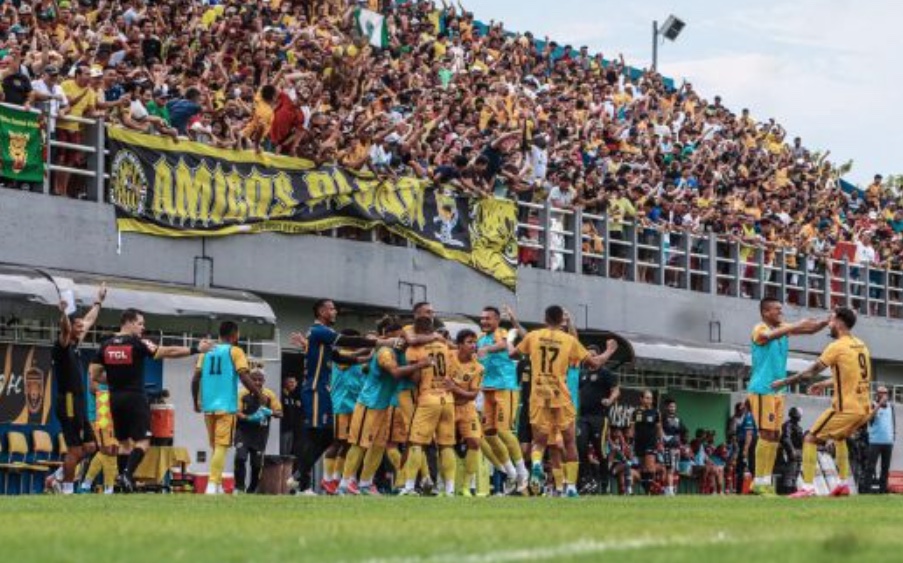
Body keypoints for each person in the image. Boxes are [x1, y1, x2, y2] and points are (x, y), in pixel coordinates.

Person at [90, 309, 214, 492]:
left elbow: (94, 375)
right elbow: (168, 351)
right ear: (129, 323)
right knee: (143, 442)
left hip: (115, 398)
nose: (143, 328)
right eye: (140, 324)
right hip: (135, 398)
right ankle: (127, 475)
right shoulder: (138, 343)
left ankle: (122, 481)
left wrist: (116, 380)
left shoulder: (105, 345)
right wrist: (196, 349)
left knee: (124, 443)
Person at [289, 299, 404, 494]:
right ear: (321, 311)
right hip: (315, 390)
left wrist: (364, 358)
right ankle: (302, 480)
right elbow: (347, 341)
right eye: (332, 308)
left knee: (326, 436)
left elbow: (338, 356)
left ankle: (300, 476)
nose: (335, 312)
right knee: (314, 435)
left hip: (323, 391)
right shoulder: (319, 331)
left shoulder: (318, 337)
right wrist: (383, 342)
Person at [513, 304, 618, 497]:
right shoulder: (569, 341)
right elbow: (594, 362)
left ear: (544, 319)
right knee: (569, 443)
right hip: (560, 397)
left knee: (540, 442)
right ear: (561, 320)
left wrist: (510, 341)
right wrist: (610, 350)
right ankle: (569, 487)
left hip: (538, 395)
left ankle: (536, 465)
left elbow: (514, 353)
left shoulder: (534, 336)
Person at [772, 307, 872, 498]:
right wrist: (824, 384)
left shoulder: (837, 346)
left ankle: (807, 487)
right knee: (840, 439)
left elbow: (810, 371)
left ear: (840, 322)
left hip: (845, 408)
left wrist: (784, 382)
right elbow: (851, 377)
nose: (829, 323)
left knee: (810, 438)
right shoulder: (861, 345)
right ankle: (843, 484)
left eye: (832, 320)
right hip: (863, 408)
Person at [338, 316, 429, 496]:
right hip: (368, 404)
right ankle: (345, 482)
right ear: (388, 336)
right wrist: (420, 364)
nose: (402, 340)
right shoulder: (385, 352)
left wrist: (417, 364)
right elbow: (395, 373)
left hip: (384, 405)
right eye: (398, 337)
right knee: (359, 444)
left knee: (379, 445)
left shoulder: (402, 353)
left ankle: (365, 482)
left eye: (403, 337)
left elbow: (414, 378)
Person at [748, 298, 827, 495]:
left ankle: (764, 482)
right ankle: (758, 481)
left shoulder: (783, 327)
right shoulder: (759, 328)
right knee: (765, 433)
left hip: (779, 390)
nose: (780, 313)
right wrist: (795, 325)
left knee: (775, 436)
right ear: (766, 312)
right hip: (762, 389)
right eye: (777, 310)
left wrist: (826, 321)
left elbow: (809, 329)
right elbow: (768, 336)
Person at [192, 321, 263, 495]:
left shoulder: (206, 351)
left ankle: (217, 486)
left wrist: (195, 401)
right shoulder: (235, 351)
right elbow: (244, 376)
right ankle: (212, 484)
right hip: (226, 406)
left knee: (216, 447)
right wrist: (258, 394)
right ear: (234, 335)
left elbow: (195, 379)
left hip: (208, 406)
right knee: (221, 446)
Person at [49, 283, 106, 494]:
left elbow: (90, 320)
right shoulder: (62, 346)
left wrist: (98, 301)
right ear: (70, 328)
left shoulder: (74, 345)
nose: (82, 328)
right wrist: (64, 313)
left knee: (91, 446)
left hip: (79, 402)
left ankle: (58, 476)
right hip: (69, 403)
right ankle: (67, 490)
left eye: (82, 326)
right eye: (78, 326)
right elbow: (64, 329)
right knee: (74, 450)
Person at [399, 317, 457, 496]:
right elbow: (453, 372)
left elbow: (415, 379)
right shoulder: (445, 346)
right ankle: (450, 490)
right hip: (447, 399)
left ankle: (409, 487)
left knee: (417, 443)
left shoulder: (414, 349)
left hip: (428, 398)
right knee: (446, 446)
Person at [477, 305, 526, 494]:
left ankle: (523, 473)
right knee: (488, 433)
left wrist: (487, 349)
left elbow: (504, 345)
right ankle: (511, 472)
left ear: (497, 320)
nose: (484, 322)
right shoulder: (481, 339)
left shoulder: (501, 333)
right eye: (482, 318)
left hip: (506, 388)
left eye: (488, 318)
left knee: (504, 432)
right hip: (487, 389)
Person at [446, 329, 485, 497]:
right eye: (469, 342)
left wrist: (455, 388)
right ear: (459, 344)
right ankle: (445, 486)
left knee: (474, 442)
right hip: (447, 406)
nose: (473, 345)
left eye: (474, 342)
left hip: (467, 409)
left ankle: (467, 486)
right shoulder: (448, 357)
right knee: (444, 445)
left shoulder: (478, 367)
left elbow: (473, 395)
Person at [576, 352, 619, 494]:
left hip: (599, 418)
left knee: (600, 451)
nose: (590, 357)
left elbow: (616, 391)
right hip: (583, 417)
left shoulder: (606, 373)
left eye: (593, 355)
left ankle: (605, 484)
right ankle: (587, 480)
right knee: (580, 448)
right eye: (588, 355)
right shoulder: (582, 374)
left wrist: (610, 400)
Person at [234, 368, 282, 494]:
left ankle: (252, 489)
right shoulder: (242, 393)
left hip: (260, 435)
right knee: (240, 458)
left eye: (259, 380)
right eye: (253, 379)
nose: (256, 382)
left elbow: (280, 413)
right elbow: (236, 411)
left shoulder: (269, 394)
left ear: (264, 381)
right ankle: (239, 488)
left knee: (256, 465)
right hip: (243, 432)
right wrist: (248, 418)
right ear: (248, 380)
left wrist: (270, 412)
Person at [630, 390, 664, 495]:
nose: (649, 400)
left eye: (651, 398)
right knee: (643, 469)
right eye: (647, 398)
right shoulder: (635, 412)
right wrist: (630, 442)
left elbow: (659, 428)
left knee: (649, 467)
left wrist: (660, 442)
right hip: (639, 443)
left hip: (651, 443)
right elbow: (632, 429)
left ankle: (651, 490)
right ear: (641, 399)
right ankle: (647, 492)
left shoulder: (656, 412)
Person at [865, 386, 895, 494]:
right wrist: (879, 405)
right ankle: (866, 490)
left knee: (885, 468)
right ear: (877, 394)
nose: (884, 395)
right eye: (881, 393)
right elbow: (869, 418)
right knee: (870, 466)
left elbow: (892, 422)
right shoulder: (872, 405)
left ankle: (883, 490)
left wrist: (893, 437)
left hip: (888, 442)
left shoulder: (891, 407)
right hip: (875, 442)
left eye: (885, 393)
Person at [661, 398, 688, 496]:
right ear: (666, 407)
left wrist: (683, 443)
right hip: (668, 448)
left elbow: (684, 431)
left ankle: (671, 489)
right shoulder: (662, 419)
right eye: (670, 406)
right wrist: (665, 439)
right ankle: (669, 490)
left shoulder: (678, 419)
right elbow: (660, 431)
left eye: (674, 406)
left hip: (677, 449)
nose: (672, 408)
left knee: (675, 470)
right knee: (669, 469)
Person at [778, 407, 804, 495]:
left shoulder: (798, 427)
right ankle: (787, 491)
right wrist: (791, 450)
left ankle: (793, 490)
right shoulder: (788, 425)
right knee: (790, 471)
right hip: (791, 451)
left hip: (798, 451)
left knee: (796, 471)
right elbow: (786, 438)